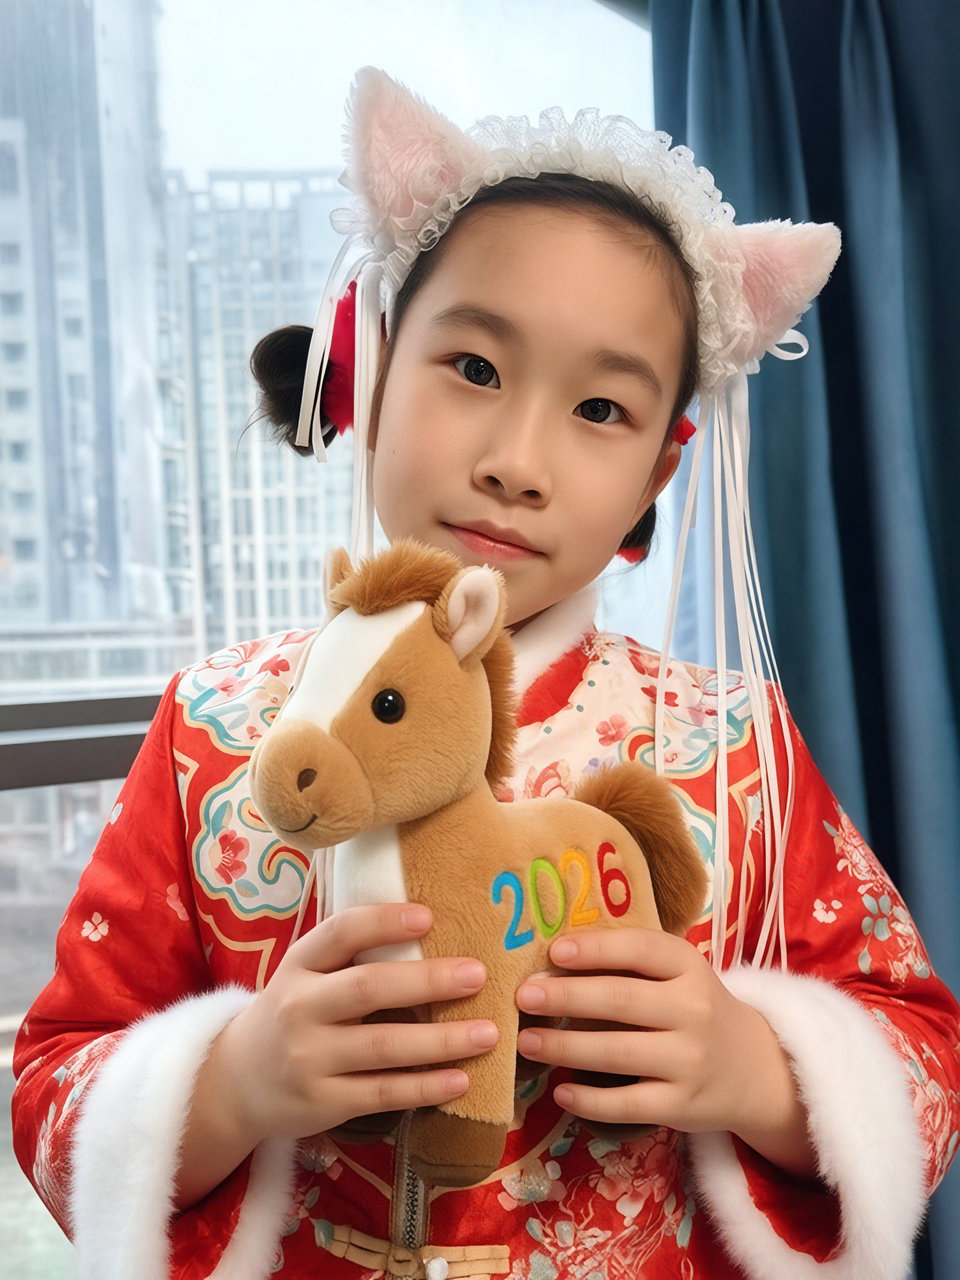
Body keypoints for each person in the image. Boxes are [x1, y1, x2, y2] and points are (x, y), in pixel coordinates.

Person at [11, 67, 960, 1280]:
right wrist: (236, 1082)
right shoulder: (213, 728)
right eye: (473, 367)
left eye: (601, 408)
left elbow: (923, 1055)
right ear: (371, 364)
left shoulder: (738, 746)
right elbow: (53, 1079)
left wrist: (753, 1066)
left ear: (658, 476)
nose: (517, 460)